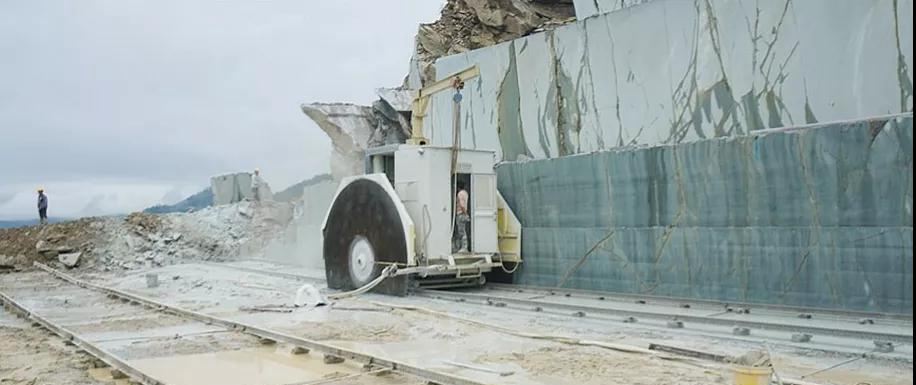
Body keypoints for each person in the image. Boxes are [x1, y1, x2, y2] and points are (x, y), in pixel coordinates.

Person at [453, 181, 470, 253]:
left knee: (461, 232)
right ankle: (462, 247)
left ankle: (464, 247)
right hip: (464, 213)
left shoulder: (460, 194)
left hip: (461, 213)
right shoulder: (465, 193)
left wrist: (465, 213)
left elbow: (462, 205)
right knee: (463, 230)